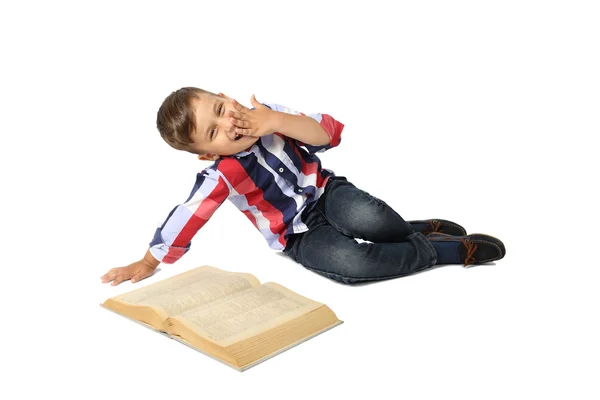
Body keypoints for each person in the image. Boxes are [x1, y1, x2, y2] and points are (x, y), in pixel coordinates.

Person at [100, 87, 505, 286]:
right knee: (354, 264)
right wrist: (150, 261)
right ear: (207, 154)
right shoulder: (220, 175)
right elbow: (189, 215)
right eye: (213, 132)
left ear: (227, 97)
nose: (229, 124)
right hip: (296, 234)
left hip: (327, 193)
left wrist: (276, 123)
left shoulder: (270, 115)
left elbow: (326, 134)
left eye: (221, 110)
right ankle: (441, 251)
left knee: (372, 218)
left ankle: (413, 229)